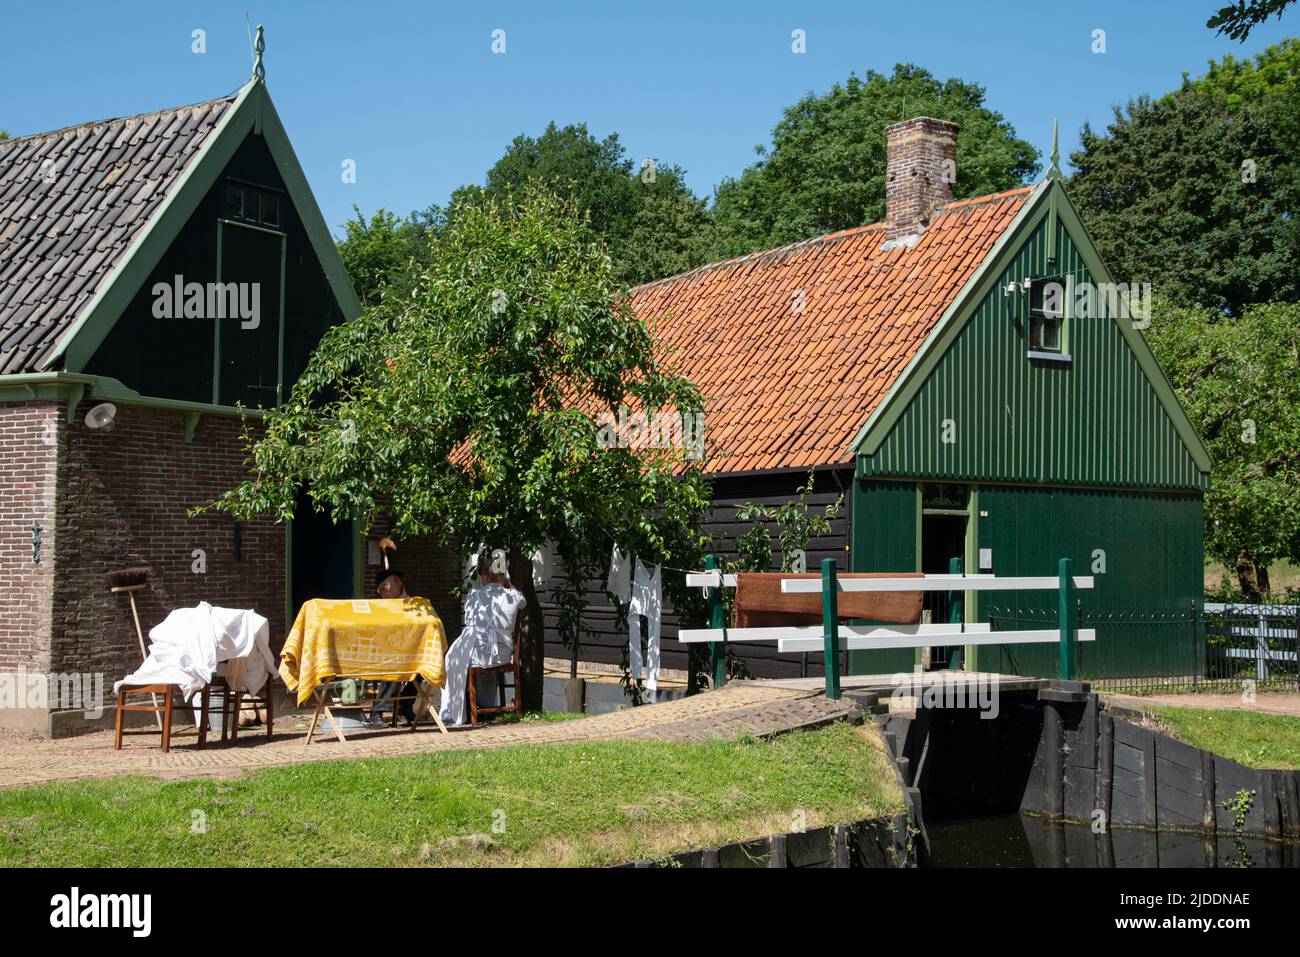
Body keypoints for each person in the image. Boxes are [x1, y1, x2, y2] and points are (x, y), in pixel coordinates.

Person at [438, 551, 526, 727]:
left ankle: (462, 708)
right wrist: (509, 585)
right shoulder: (514, 597)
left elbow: (469, 624)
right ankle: (484, 705)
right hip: (502, 654)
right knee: (469, 655)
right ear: (504, 577)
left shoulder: (473, 596)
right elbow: (523, 601)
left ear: (485, 577)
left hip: (478, 654)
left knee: (453, 658)